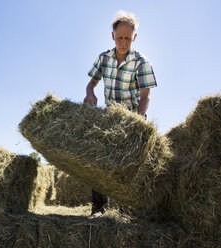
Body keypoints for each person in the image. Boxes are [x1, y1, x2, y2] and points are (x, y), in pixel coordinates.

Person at [84, 10, 157, 217]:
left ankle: (127, 213)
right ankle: (98, 210)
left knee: (130, 167)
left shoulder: (142, 62)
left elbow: (146, 96)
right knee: (99, 162)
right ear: (113, 36)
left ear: (134, 38)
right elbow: (91, 83)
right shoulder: (104, 58)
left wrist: (138, 118)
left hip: (133, 117)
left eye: (127, 38)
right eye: (119, 38)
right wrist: (90, 94)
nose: (123, 42)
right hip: (109, 118)